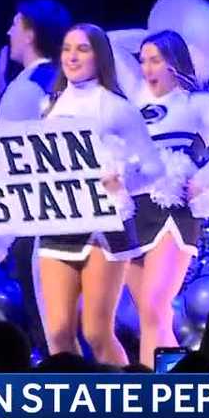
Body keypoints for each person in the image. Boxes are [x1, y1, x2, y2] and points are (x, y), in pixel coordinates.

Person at [36, 24, 163, 365]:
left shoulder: (116, 107)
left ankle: (127, 403)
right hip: (58, 224)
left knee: (95, 331)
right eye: (66, 49)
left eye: (82, 49)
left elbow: (153, 168)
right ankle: (73, 407)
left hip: (103, 226)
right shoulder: (48, 107)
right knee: (59, 332)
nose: (72, 56)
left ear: (100, 56)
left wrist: (123, 181)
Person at [125, 30, 209, 368]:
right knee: (150, 318)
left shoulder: (197, 104)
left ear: (175, 64)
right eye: (142, 61)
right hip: (131, 212)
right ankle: (175, 387)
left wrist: (204, 177)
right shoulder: (133, 109)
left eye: (156, 60)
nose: (147, 68)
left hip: (173, 213)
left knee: (155, 308)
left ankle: (153, 399)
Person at [0, 0, 72, 360]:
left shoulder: (29, 86)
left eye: (14, 24)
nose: (8, 31)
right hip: (60, 215)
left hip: (35, 221)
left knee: (47, 323)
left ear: (30, 31)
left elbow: (4, 150)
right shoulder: (47, 80)